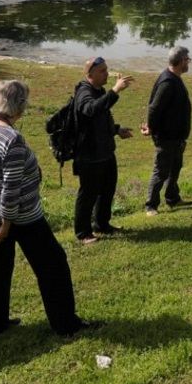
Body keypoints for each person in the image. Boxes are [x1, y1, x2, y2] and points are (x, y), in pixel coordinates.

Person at [0, 80, 92, 337]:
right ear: (18, 106)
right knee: (54, 265)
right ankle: (66, 325)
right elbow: (10, 188)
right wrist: (6, 224)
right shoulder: (12, 139)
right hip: (22, 218)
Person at [72, 57, 134, 244]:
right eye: (102, 71)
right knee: (88, 194)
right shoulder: (84, 92)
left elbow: (99, 119)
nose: (107, 74)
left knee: (107, 190)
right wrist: (115, 90)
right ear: (90, 74)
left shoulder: (99, 91)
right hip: (89, 155)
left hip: (105, 151)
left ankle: (102, 224)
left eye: (107, 70)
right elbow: (90, 110)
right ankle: (83, 233)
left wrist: (116, 130)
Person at [142, 46, 192, 215]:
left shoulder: (174, 77)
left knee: (175, 167)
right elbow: (154, 108)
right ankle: (151, 205)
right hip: (166, 137)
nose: (189, 62)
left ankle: (173, 198)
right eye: (187, 59)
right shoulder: (168, 82)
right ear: (180, 62)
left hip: (176, 137)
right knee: (161, 171)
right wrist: (151, 127)